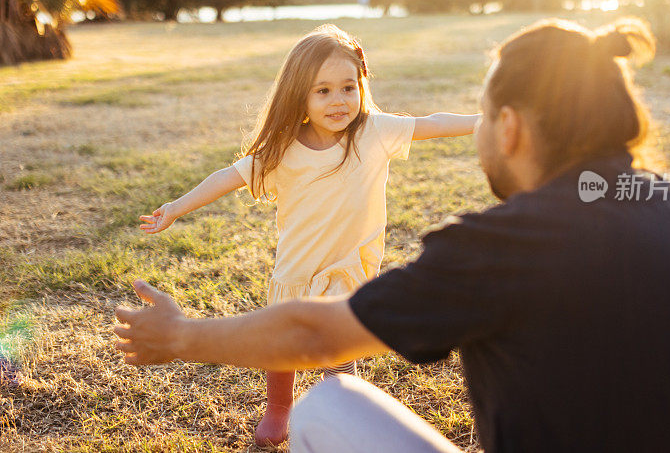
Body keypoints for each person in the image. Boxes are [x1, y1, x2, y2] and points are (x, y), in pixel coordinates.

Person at [116, 17, 670, 453]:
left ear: (509, 128)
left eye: (479, 117)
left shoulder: (507, 246)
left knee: (329, 403)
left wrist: (181, 338)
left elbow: (319, 338)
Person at [136, 23, 479, 446]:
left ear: (361, 85)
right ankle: (278, 408)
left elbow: (433, 123)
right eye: (323, 91)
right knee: (281, 349)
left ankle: (343, 407)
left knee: (339, 349)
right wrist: (175, 208)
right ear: (300, 93)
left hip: (348, 267)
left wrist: (482, 121)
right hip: (297, 268)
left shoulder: (375, 131)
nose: (339, 101)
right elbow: (228, 177)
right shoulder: (283, 150)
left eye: (348, 87)